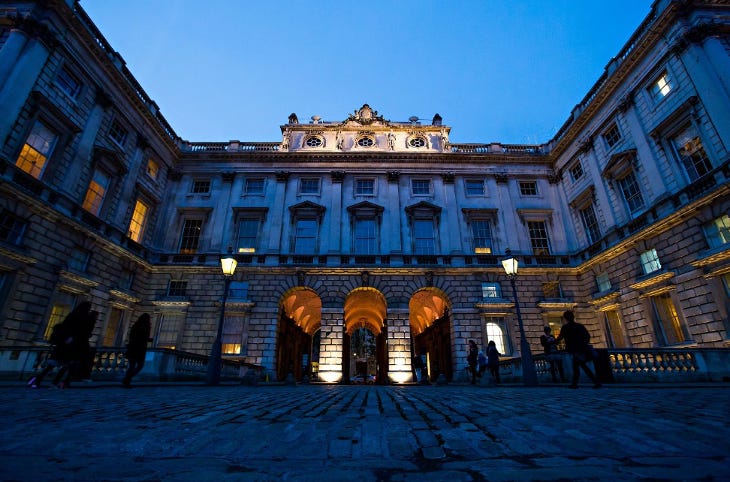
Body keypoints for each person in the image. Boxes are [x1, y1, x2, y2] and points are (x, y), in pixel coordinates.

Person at [27, 301, 91, 389]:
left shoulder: (71, 315)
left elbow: (64, 327)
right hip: (75, 346)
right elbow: (84, 333)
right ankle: (59, 383)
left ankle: (36, 381)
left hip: (63, 345)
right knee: (68, 365)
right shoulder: (84, 317)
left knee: (52, 364)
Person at [556, 310, 601, 389]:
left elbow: (560, 338)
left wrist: (552, 342)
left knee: (580, 366)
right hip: (581, 348)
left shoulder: (565, 327)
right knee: (579, 366)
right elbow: (587, 336)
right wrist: (583, 344)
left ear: (565, 318)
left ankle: (593, 382)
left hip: (574, 349)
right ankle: (577, 383)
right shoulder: (579, 326)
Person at [122, 313, 152, 388]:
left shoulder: (135, 325)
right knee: (140, 366)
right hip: (139, 349)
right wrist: (148, 339)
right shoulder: (145, 327)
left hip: (132, 348)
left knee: (132, 366)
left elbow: (132, 336)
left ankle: (127, 380)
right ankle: (127, 379)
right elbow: (142, 338)